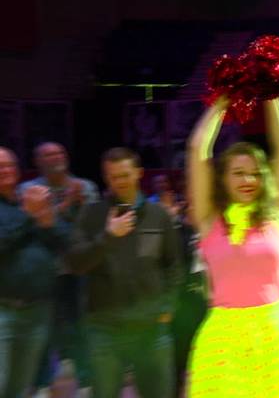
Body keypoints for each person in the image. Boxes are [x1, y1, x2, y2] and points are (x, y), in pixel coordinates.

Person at [185, 96, 279, 396]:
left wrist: (272, 93)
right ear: (223, 179)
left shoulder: (275, 214)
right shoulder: (208, 219)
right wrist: (223, 100)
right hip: (222, 337)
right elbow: (197, 149)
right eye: (238, 173)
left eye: (254, 172)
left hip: (273, 332)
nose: (248, 179)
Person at [66, 147, 181, 398]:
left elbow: (173, 265)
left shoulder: (158, 214)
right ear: (106, 178)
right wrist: (108, 236)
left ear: (139, 173)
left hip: (151, 328)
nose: (119, 182)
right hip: (105, 329)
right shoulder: (92, 214)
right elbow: (76, 264)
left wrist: (168, 307)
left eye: (125, 175)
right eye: (113, 177)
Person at [20, 142, 98, 394]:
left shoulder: (85, 187)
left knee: (81, 328)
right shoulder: (29, 190)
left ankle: (85, 383)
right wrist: (65, 206)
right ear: (38, 161)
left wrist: (79, 205)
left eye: (59, 153)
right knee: (42, 329)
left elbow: (91, 229)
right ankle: (43, 383)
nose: (55, 158)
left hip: (78, 272)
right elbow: (34, 230)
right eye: (48, 155)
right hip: (44, 273)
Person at [0, 147, 68, 397]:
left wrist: (49, 221)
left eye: (10, 165)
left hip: (38, 311)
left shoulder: (32, 199)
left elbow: (65, 243)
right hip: (3, 311)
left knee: (21, 385)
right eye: (0, 166)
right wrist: (28, 215)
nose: (6, 170)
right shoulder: (28, 207)